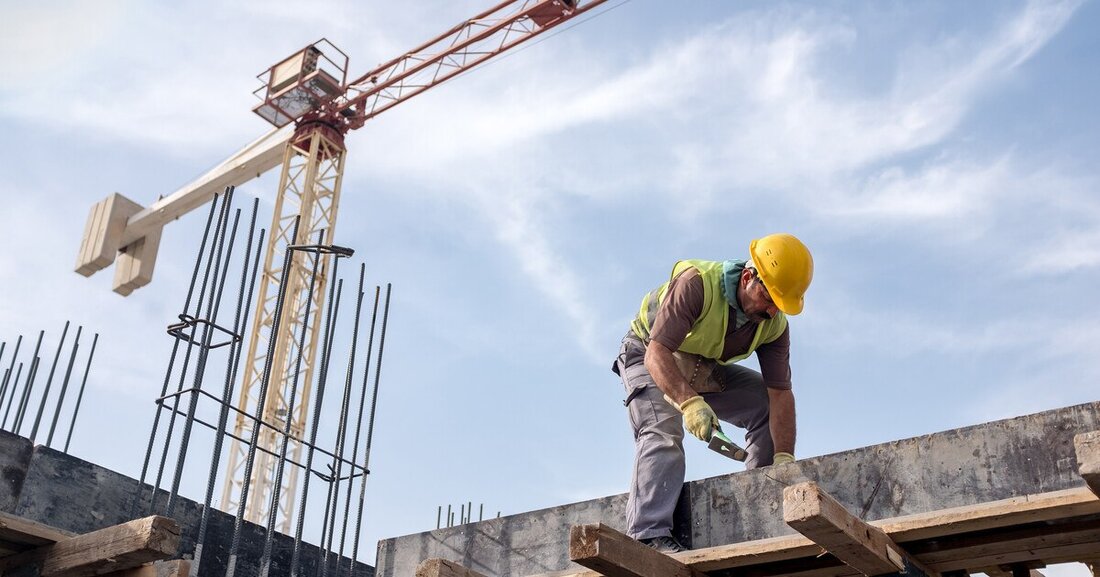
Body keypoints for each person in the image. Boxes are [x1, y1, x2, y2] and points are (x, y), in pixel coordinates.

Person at [612, 233, 813, 553]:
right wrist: (689, 402)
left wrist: (784, 458)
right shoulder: (696, 285)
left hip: (699, 364)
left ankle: (764, 503)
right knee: (663, 430)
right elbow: (657, 353)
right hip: (647, 354)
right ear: (749, 277)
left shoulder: (774, 326)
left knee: (762, 404)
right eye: (770, 298)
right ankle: (649, 535)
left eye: (780, 304)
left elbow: (780, 395)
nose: (773, 311)